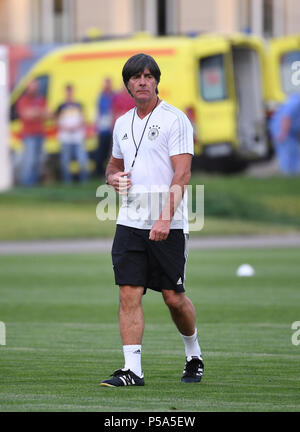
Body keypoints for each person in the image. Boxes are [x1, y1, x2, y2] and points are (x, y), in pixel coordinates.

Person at [100, 53, 204, 387]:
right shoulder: (121, 123)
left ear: (156, 81)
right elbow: (112, 167)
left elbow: (183, 172)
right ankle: (133, 370)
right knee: (128, 293)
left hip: (168, 224)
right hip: (129, 222)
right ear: (127, 84)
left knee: (173, 298)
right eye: (135, 77)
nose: (142, 81)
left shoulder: (176, 120)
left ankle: (193, 353)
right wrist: (113, 179)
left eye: (148, 76)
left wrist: (164, 218)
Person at [17, 79, 48, 186]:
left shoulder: (41, 99)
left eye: (36, 86)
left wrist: (35, 112)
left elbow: (48, 114)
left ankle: (33, 184)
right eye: (33, 86)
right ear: (28, 87)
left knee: (37, 161)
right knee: (29, 161)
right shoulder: (23, 100)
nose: (35, 88)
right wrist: (40, 112)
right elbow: (26, 115)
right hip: (29, 135)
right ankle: (26, 184)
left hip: (40, 134)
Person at [55, 84, 89, 183]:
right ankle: (67, 181)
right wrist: (65, 127)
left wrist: (76, 126)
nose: (69, 94)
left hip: (78, 137)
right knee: (65, 161)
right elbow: (56, 120)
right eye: (67, 92)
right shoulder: (61, 106)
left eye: (70, 91)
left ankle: (84, 180)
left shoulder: (78, 105)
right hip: (65, 138)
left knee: (82, 160)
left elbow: (83, 119)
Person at [269, 92, 300, 175]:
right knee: (287, 152)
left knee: (293, 152)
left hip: (290, 131)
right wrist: (283, 133)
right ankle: (288, 173)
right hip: (282, 129)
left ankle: (293, 173)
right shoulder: (296, 102)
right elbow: (286, 117)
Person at [95, 78, 115, 177]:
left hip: (112, 127)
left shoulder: (114, 96)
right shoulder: (101, 96)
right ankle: (100, 172)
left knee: (111, 151)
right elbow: (98, 112)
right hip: (103, 128)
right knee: (102, 151)